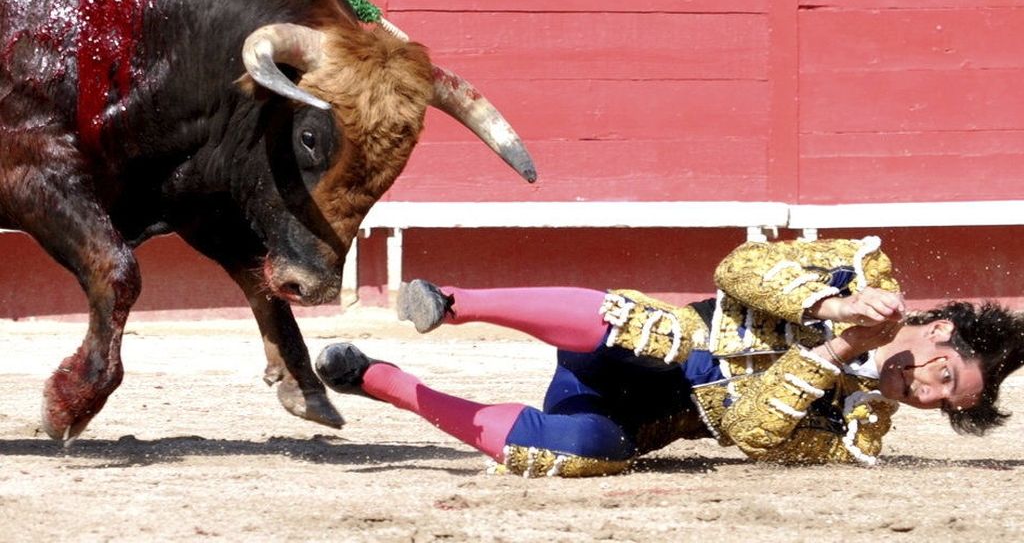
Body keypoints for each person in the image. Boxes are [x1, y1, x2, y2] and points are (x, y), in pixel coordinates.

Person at [314, 236, 1024, 477]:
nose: (924, 395)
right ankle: (454, 302)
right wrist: (830, 309)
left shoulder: (859, 436)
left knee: (582, 455)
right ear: (937, 332)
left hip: (651, 418)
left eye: (941, 403)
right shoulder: (860, 270)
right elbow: (740, 268)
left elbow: (750, 432)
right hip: (633, 344)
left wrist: (838, 350)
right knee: (666, 334)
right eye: (944, 376)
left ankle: (381, 381)